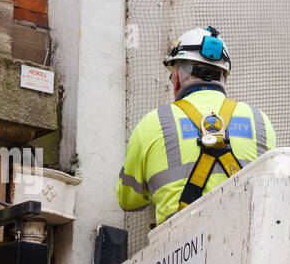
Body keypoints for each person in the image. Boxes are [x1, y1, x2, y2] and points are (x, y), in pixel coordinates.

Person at [117, 27, 276, 225]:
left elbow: (129, 200)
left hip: (178, 251)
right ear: (224, 77)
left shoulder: (153, 123)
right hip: (248, 242)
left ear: (175, 77)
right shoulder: (260, 121)